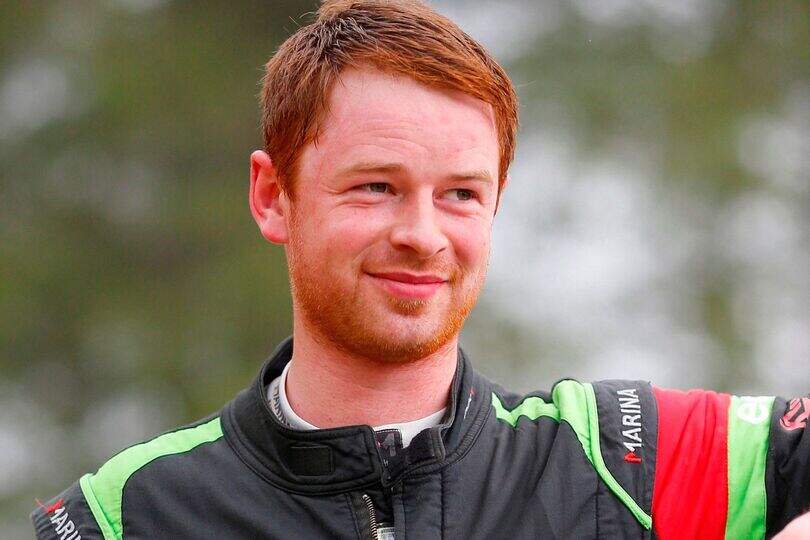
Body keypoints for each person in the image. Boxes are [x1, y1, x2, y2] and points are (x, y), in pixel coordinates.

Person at [31, 1, 809, 538]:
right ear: (272, 197)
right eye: (377, 187)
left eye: (461, 194)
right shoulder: (124, 514)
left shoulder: (622, 457)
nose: (423, 235)